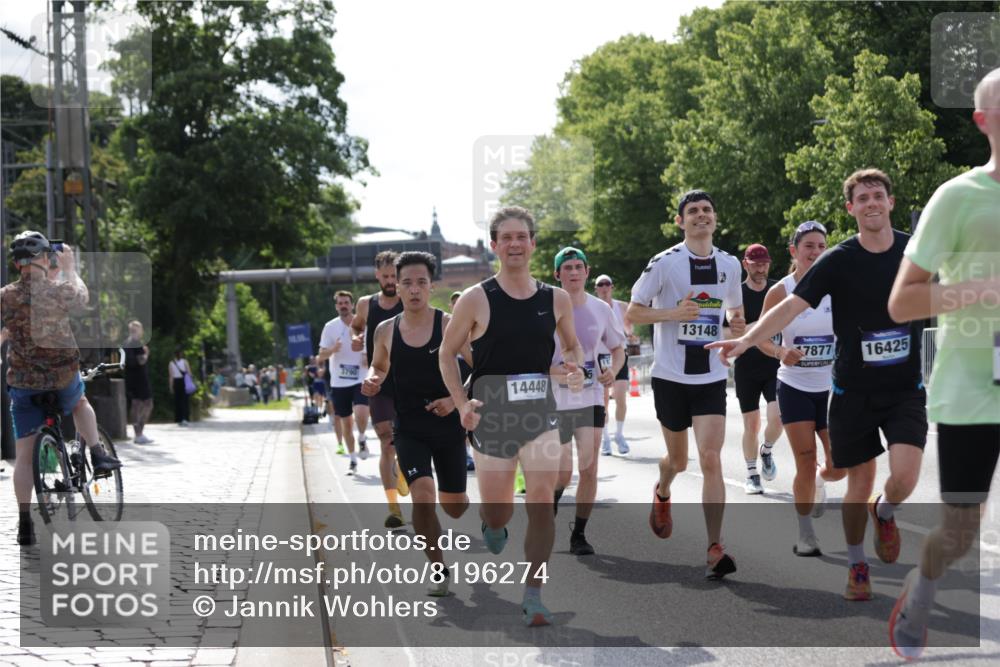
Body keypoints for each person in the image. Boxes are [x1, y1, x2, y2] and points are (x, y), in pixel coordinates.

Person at [708, 169, 927, 601]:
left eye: (877, 195)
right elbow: (790, 306)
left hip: (904, 389)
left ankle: (884, 513)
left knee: (903, 478)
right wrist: (749, 339)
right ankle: (857, 564)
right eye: (861, 198)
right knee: (857, 481)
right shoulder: (838, 261)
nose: (870, 203)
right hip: (851, 392)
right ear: (851, 208)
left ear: (890, 202)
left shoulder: (915, 251)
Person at [886, 67, 1000, 659]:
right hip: (971, 388)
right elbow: (903, 301)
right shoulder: (958, 197)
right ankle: (921, 589)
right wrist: (982, 291)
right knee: (959, 530)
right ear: (983, 122)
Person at [441, 206, 584, 627]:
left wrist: (574, 368)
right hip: (493, 413)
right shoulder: (476, 298)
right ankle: (493, 523)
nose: (515, 244)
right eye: (507, 237)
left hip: (540, 410)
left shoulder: (555, 298)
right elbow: (447, 354)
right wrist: (461, 403)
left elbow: (572, 347)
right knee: (499, 510)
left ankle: (534, 593)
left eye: (522, 236)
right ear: (494, 246)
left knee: (542, 498)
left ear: (534, 243)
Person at [627, 189, 745, 580]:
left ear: (715, 218)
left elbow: (733, 313)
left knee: (711, 458)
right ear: (681, 221)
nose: (700, 216)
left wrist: (737, 330)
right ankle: (663, 491)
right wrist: (673, 312)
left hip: (710, 376)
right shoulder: (665, 263)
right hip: (671, 377)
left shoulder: (729, 264)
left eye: (707, 210)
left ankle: (715, 546)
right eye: (692, 211)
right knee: (678, 461)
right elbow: (633, 311)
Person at [363, 252, 473, 597]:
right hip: (408, 426)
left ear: (432, 286)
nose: (413, 290)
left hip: (448, 426)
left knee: (454, 507)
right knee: (423, 499)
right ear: (396, 285)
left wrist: (456, 399)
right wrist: (372, 380)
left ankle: (468, 508)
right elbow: (378, 367)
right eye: (406, 283)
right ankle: (438, 569)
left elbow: (480, 365)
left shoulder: (448, 324)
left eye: (421, 283)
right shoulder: (385, 330)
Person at [1, 232, 121, 545]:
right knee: (80, 401)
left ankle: (25, 522)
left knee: (24, 458)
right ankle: (98, 454)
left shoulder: (6, 296)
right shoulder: (57, 290)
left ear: (16, 264)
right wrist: (70, 267)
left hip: (24, 386)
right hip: (62, 379)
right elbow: (82, 297)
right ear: (44, 259)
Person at [756, 222, 844, 556]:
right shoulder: (781, 291)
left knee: (839, 467)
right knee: (804, 460)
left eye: (822, 246)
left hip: (833, 389)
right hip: (794, 387)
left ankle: (819, 481)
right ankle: (805, 533)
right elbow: (760, 337)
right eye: (809, 246)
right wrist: (781, 351)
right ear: (794, 251)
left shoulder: (836, 287)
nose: (816, 252)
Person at [550, 249, 625, 555]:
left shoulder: (600, 309)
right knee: (563, 471)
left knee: (589, 468)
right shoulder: (545, 308)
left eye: (579, 267)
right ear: (558, 274)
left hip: (591, 396)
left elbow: (618, 348)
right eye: (567, 268)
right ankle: (549, 510)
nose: (574, 272)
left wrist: (612, 372)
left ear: (587, 271)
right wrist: (558, 373)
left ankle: (579, 534)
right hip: (554, 398)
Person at [351, 251, 408, 527]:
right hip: (379, 382)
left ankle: (404, 471)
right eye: (385, 277)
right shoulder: (365, 304)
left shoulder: (410, 300)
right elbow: (356, 326)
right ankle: (394, 508)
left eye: (394, 277)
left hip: (409, 382)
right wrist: (356, 337)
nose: (390, 282)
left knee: (406, 441)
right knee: (387, 441)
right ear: (377, 276)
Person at [733, 244, 783, 494]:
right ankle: (752, 474)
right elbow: (729, 332)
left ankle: (767, 450)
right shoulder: (736, 295)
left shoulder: (777, 291)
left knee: (779, 417)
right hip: (746, 366)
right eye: (756, 264)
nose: (761, 268)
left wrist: (752, 330)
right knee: (751, 424)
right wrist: (762, 326)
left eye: (764, 263)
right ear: (746, 265)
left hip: (774, 362)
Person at [319, 290, 371, 472]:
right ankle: (353, 459)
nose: (343, 305)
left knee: (362, 413)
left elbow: (374, 345)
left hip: (360, 377)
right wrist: (333, 349)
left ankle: (363, 437)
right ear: (336, 306)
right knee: (346, 423)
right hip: (339, 382)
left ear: (352, 305)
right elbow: (321, 355)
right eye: (340, 303)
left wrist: (367, 355)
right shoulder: (330, 327)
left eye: (346, 302)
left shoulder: (362, 323)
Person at [593, 274, 634, 456]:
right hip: (602, 358)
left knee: (621, 398)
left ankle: (619, 434)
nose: (604, 287)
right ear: (596, 289)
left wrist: (627, 333)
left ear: (612, 287)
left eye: (607, 284)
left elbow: (629, 326)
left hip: (620, 355)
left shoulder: (622, 306)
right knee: (603, 403)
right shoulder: (592, 307)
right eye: (600, 284)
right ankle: (606, 438)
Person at [123, 320, 154, 444]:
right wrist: (146, 353)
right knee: (147, 404)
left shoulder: (126, 342)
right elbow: (141, 361)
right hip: (140, 379)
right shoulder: (136, 343)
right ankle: (139, 433)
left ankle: (138, 433)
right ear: (138, 330)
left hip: (130, 378)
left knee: (136, 405)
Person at [169, 349, 194, 425]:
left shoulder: (171, 363)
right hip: (184, 382)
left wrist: (171, 386)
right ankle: (185, 418)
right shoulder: (185, 362)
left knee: (177, 401)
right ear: (181, 354)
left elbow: (171, 376)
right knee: (185, 400)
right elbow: (189, 373)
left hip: (176, 382)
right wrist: (190, 381)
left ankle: (178, 419)